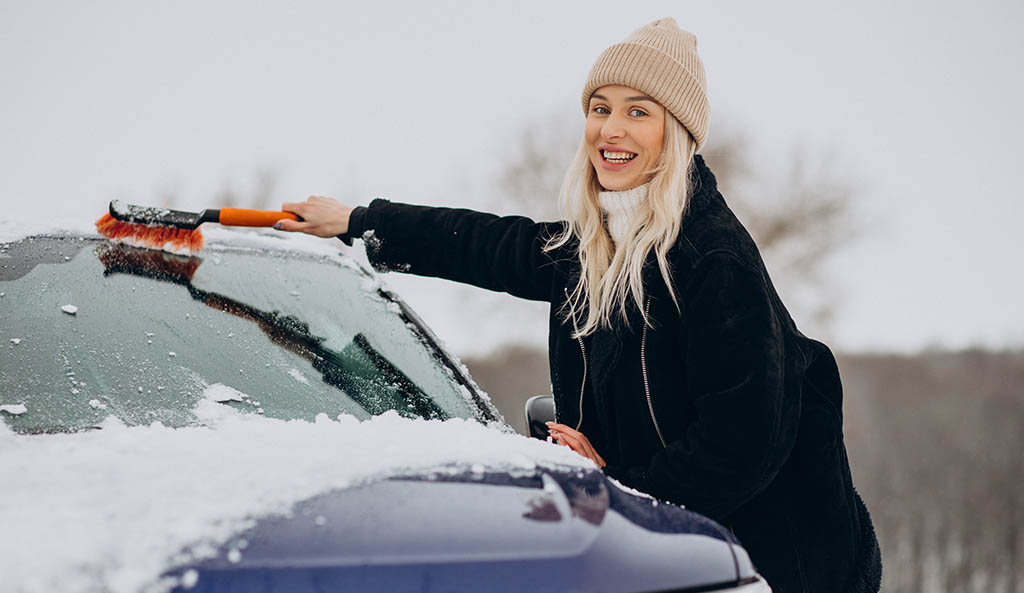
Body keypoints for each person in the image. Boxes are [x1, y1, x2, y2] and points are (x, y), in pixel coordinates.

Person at [274, 17, 882, 593]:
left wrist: (618, 489)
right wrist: (357, 221)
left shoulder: (713, 261)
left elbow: (740, 449)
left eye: (637, 112)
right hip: (669, 545)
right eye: (600, 109)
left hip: (779, 563)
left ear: (677, 133)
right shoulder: (598, 247)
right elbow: (487, 245)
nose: (609, 130)